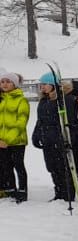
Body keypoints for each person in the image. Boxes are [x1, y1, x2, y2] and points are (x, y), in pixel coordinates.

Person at [32, 72, 73, 202]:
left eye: (45, 84)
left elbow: (67, 119)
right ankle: (58, 191)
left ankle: (67, 192)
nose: (42, 87)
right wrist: (36, 134)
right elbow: (40, 120)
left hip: (58, 138)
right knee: (51, 166)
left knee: (62, 167)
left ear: (53, 85)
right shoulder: (43, 101)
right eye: (41, 85)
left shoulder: (62, 100)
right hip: (47, 138)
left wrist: (66, 137)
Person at [0, 72, 30, 203]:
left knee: (18, 165)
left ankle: (22, 191)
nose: (5, 84)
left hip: (17, 141)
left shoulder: (21, 100)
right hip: (1, 142)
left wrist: (8, 140)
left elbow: (21, 122)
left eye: (8, 81)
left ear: (15, 84)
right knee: (5, 166)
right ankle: (10, 189)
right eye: (2, 81)